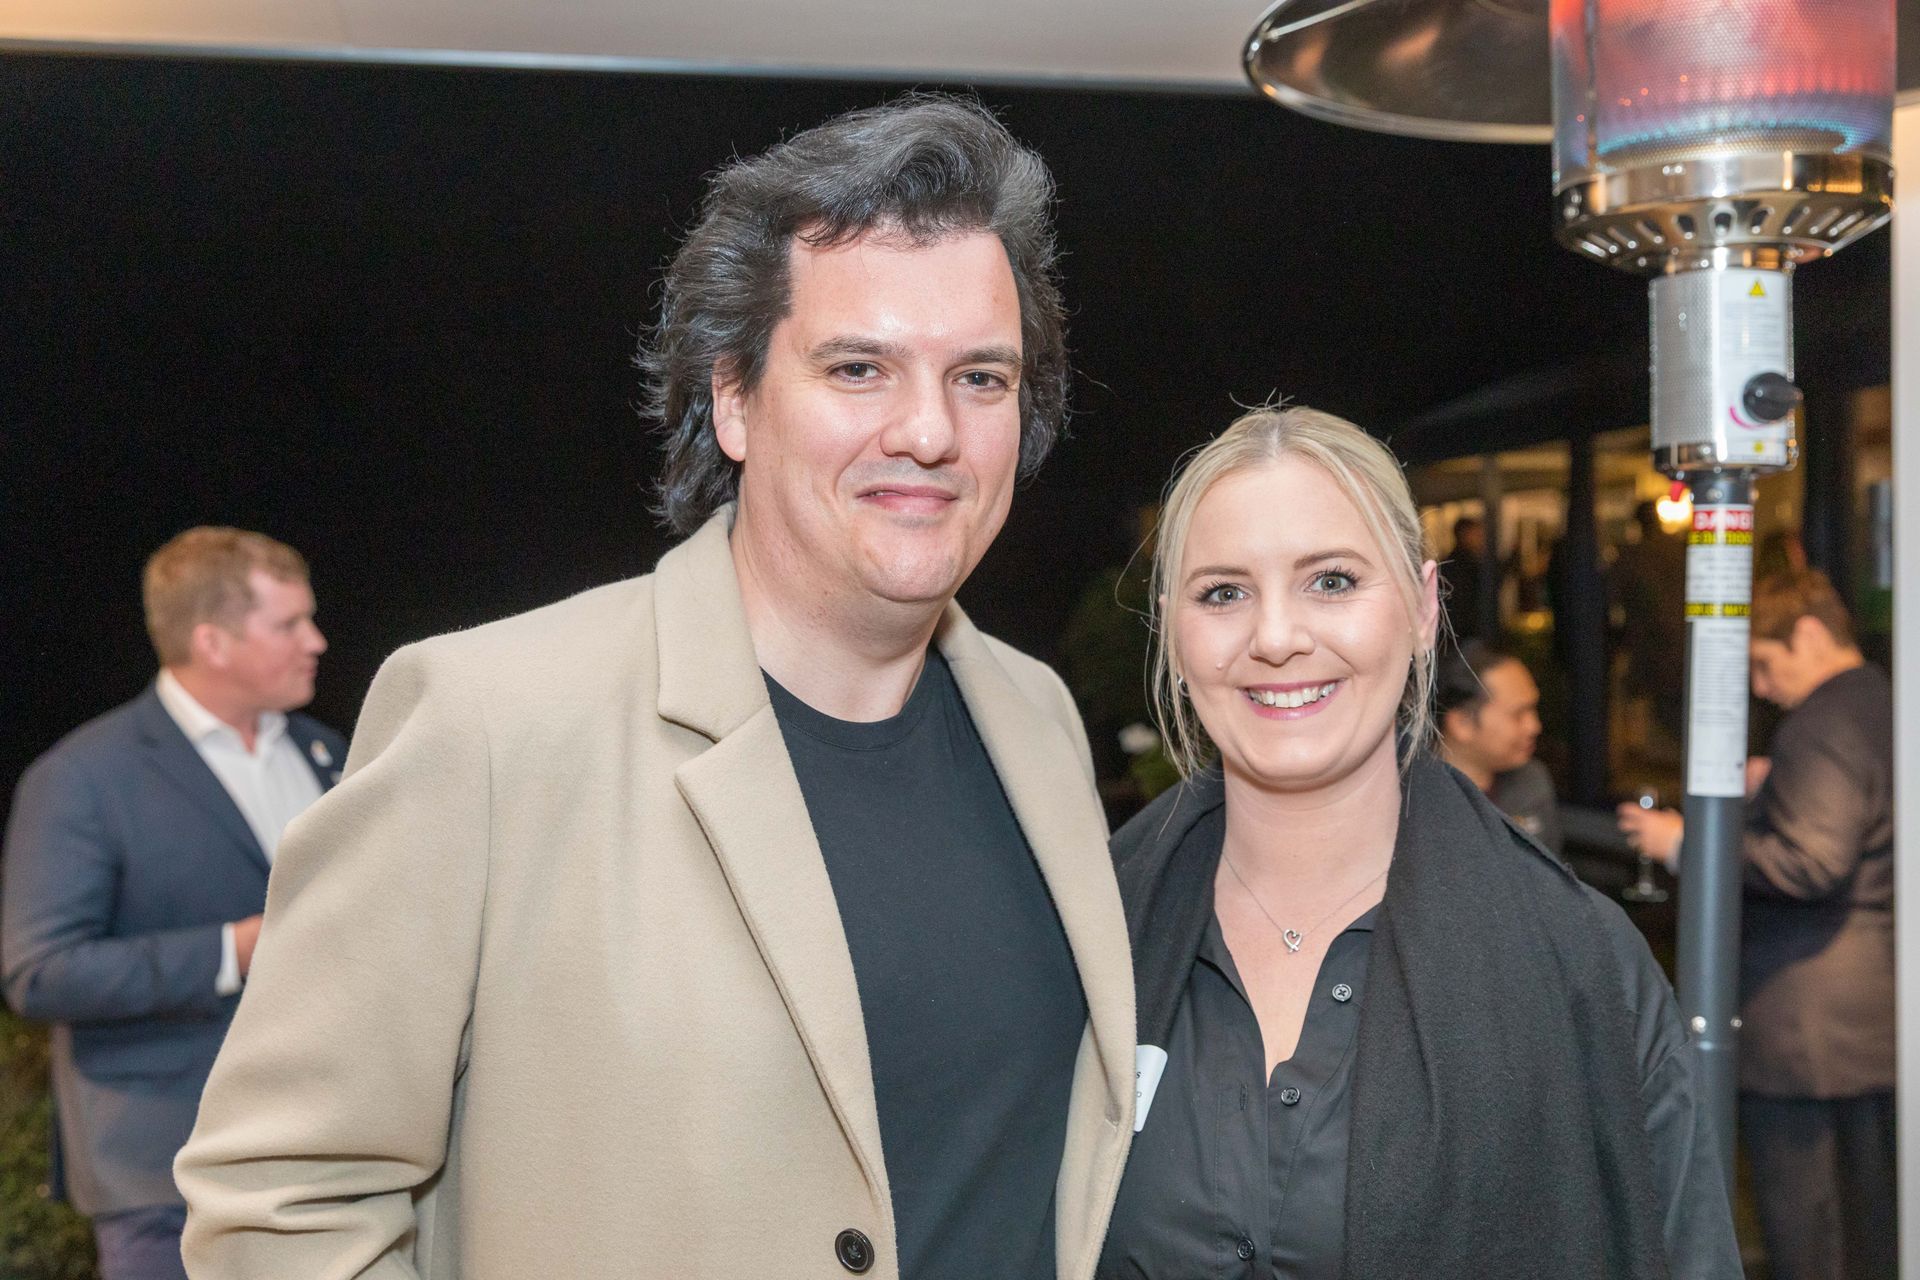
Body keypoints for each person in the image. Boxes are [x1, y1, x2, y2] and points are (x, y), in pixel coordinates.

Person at [175, 96, 1133, 1280]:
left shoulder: (1034, 718)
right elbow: (277, 1206)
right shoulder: (486, 725)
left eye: (980, 377)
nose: (929, 430)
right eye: (858, 367)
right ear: (733, 396)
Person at [1100, 407, 1740, 1280]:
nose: (1277, 636)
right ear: (1174, 631)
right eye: (1224, 592)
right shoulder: (1082, 938)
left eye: (1331, 581)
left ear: (1423, 604)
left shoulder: (1579, 962)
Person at [2, 527, 342, 1280]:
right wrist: (235, 951)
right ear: (213, 642)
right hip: (164, 1173)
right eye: (288, 624)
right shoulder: (83, 779)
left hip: (324, 1150)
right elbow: (40, 971)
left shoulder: (327, 753)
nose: (315, 641)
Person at [1616, 568, 1895, 1280]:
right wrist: (1776, 786)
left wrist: (1684, 843)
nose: (1761, 688)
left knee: (1806, 1232)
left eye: (1765, 665)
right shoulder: (1881, 702)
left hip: (1806, 1022)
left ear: (1807, 633)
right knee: (1869, 1226)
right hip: (1867, 1016)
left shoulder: (1822, 723)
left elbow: (1811, 863)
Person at [1434, 638, 1562, 854]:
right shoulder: (1413, 798)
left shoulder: (1530, 784)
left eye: (1533, 710)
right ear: (1462, 723)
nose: (1534, 726)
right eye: (1518, 714)